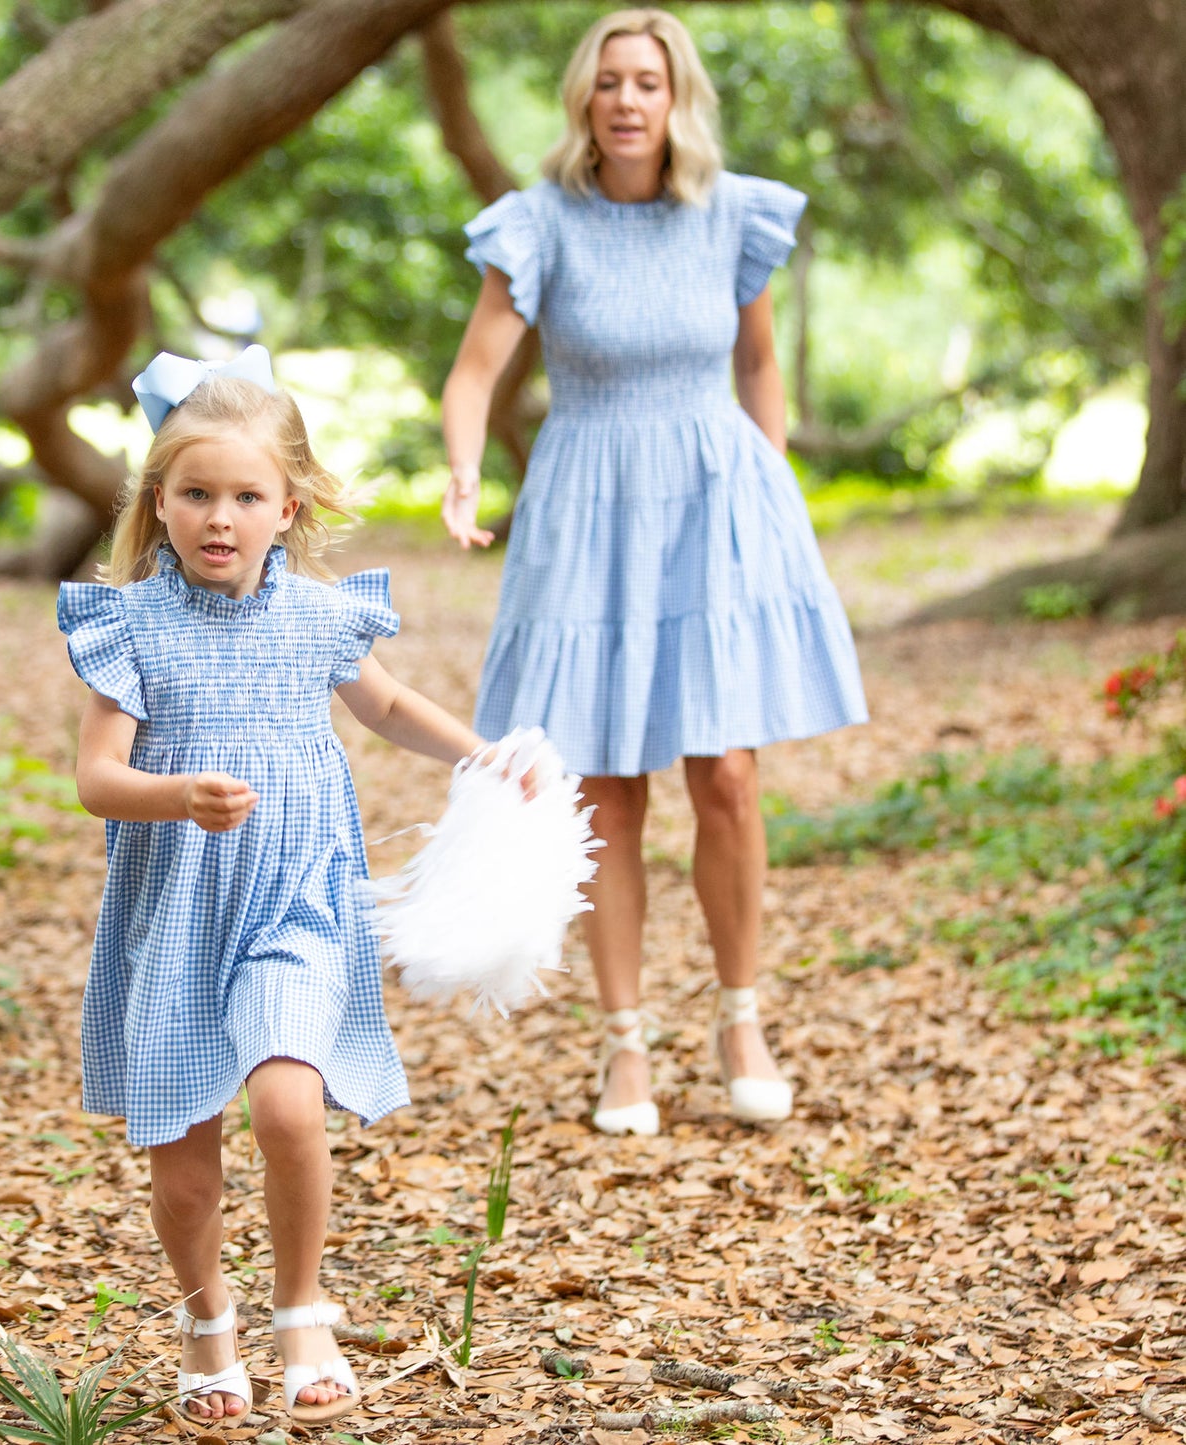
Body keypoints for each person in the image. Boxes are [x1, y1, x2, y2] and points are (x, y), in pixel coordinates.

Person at [440, 9, 868, 1137]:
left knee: (723, 771)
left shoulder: (733, 216)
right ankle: (624, 1044)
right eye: (609, 83)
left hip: (710, 500)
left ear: (679, 101)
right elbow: (476, 371)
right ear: (583, 99)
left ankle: (740, 1020)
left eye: (650, 82)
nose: (628, 101)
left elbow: (759, 359)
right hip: (585, 508)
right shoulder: (537, 225)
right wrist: (459, 471)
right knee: (605, 790)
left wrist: (768, 487)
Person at [58, 346, 488, 1427]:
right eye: (196, 493)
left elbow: (386, 708)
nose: (219, 516)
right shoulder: (130, 622)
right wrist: (174, 794)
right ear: (157, 502)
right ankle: (207, 1321)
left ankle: (301, 1308)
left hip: (294, 897)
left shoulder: (316, 616)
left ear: (285, 505)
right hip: (175, 913)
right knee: (186, 1160)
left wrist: (482, 754)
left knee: (291, 1104)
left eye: (245, 495)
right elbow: (97, 778)